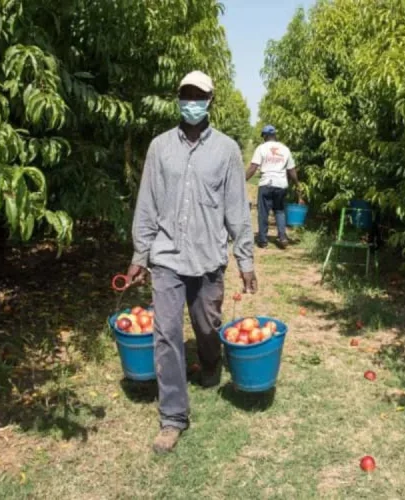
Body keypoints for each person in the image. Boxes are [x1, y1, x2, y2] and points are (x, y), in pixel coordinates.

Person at [124, 70, 258, 455]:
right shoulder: (160, 147)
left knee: (206, 324)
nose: (192, 101)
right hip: (166, 257)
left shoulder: (228, 150)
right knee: (165, 333)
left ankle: (211, 363)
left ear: (211, 100)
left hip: (208, 257)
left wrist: (245, 261)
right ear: (177, 98)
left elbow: (237, 209)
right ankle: (173, 418)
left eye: (199, 95)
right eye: (186, 94)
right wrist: (139, 255)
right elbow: (146, 204)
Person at [245, 125, 299, 249]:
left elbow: (253, 168)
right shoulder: (285, 149)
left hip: (266, 184)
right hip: (281, 184)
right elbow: (291, 170)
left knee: (263, 212)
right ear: (275, 135)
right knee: (279, 211)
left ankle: (263, 240)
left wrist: (242, 180)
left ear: (264, 136)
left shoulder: (261, 148)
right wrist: (297, 184)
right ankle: (282, 237)